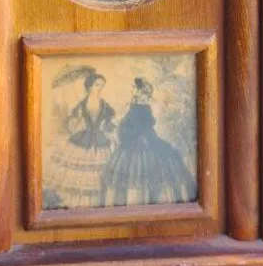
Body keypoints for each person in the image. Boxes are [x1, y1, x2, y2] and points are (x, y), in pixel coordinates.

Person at [101, 77, 196, 206]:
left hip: (140, 142)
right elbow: (126, 124)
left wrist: (119, 128)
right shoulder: (133, 105)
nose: (132, 89)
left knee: (143, 172)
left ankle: (143, 202)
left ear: (140, 90)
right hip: (133, 140)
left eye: (134, 87)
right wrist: (118, 126)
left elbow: (136, 127)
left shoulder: (140, 107)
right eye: (133, 87)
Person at [44, 71, 116, 209]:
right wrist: (74, 123)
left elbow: (108, 122)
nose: (99, 88)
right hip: (84, 137)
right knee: (81, 172)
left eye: (102, 85)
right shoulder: (82, 104)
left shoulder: (105, 105)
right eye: (97, 85)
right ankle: (80, 205)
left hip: (99, 138)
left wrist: (110, 128)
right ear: (89, 87)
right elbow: (73, 121)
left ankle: (97, 204)